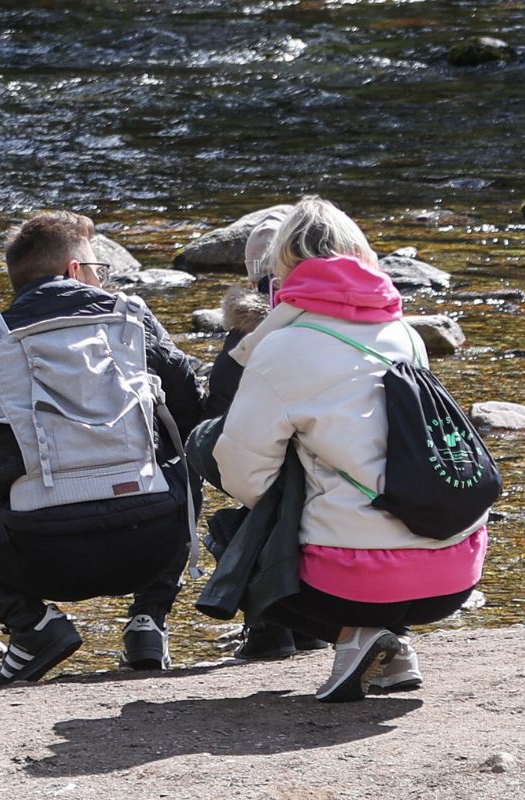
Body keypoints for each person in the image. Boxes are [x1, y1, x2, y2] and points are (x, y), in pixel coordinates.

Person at [0, 211, 203, 686]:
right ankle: (149, 619)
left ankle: (35, 627)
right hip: (151, 543)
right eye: (100, 269)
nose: (104, 279)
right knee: (184, 458)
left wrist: (8, 481)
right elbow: (193, 415)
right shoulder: (131, 319)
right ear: (74, 272)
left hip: (44, 555)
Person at [211, 196, 488, 702]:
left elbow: (242, 477)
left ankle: (355, 633)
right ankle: (393, 646)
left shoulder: (280, 346)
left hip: (355, 582)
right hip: (455, 571)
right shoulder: (404, 331)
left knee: (235, 528)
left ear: (282, 267)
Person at [201, 206, 327, 660]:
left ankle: (269, 627)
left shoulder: (247, 338)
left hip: (275, 473)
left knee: (249, 498)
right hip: (347, 474)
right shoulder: (356, 320)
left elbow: (221, 422)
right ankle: (306, 627)